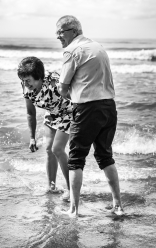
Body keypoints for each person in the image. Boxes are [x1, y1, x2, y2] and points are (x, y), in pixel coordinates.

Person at [56, 15, 123, 217]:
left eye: (61, 31)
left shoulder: (72, 50)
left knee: (76, 159)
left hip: (86, 108)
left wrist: (70, 96)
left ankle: (74, 210)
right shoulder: (98, 47)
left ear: (74, 31)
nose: (58, 36)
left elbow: (62, 87)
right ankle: (117, 205)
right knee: (105, 156)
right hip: (109, 107)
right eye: (57, 33)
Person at [17, 57, 71, 201]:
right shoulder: (26, 86)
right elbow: (30, 112)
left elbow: (75, 97)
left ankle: (71, 189)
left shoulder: (54, 82)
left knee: (57, 149)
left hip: (68, 112)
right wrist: (32, 138)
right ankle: (52, 187)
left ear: (39, 78)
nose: (24, 83)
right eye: (22, 80)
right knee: (48, 149)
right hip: (51, 113)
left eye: (28, 80)